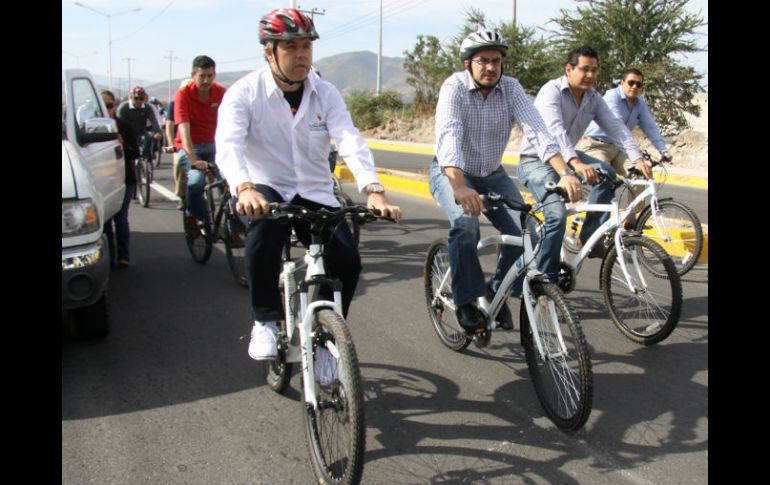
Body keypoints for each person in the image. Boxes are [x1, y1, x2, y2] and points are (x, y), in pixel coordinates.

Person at [216, 7, 402, 360]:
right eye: (291, 47)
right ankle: (266, 321)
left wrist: (373, 190)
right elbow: (229, 145)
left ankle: (325, 343)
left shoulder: (325, 92)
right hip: (266, 187)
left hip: (315, 191)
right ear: (269, 52)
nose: (301, 55)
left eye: (306, 47)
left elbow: (349, 139)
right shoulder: (244, 93)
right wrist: (245, 188)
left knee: (347, 263)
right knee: (265, 231)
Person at [429, 29, 578, 334]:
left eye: (496, 61)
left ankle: (496, 290)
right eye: (483, 60)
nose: (490, 67)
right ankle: (467, 300)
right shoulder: (453, 87)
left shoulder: (510, 88)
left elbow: (537, 131)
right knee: (466, 224)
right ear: (468, 63)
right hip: (453, 172)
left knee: (527, 231)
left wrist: (564, 171)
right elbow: (450, 136)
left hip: (492, 173)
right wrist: (459, 186)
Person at [518, 46, 652, 267]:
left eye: (595, 70)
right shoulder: (551, 91)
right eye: (584, 69)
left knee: (607, 174)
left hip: (569, 157)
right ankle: (544, 279)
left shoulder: (593, 98)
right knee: (557, 215)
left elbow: (616, 128)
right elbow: (555, 131)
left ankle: (589, 237)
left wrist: (636, 158)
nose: (590, 75)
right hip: (536, 160)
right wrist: (576, 163)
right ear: (569, 69)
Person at [576, 68, 671, 216]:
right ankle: (596, 225)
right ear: (622, 83)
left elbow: (650, 126)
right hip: (596, 145)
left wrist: (663, 150)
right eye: (631, 82)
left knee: (640, 174)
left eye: (639, 85)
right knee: (604, 178)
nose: (634, 87)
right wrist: (636, 154)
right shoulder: (611, 96)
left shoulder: (640, 104)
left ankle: (631, 222)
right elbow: (617, 126)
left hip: (619, 148)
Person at [174, 56, 226, 226]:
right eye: (202, 76)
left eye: (210, 76)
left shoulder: (221, 92)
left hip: (215, 146)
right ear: (193, 75)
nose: (206, 80)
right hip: (191, 147)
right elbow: (184, 129)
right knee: (196, 181)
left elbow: (230, 123)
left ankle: (235, 228)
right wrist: (194, 161)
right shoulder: (183, 94)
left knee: (229, 183)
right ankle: (195, 217)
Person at [100, 90, 138, 269]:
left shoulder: (123, 125)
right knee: (105, 221)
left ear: (115, 106)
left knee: (121, 218)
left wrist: (122, 144)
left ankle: (123, 257)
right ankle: (110, 258)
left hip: (125, 179)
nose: (107, 109)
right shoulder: (91, 128)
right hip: (102, 181)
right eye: (102, 105)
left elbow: (134, 152)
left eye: (109, 105)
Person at [164, 78, 192, 210]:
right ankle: (181, 196)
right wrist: (171, 145)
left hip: (202, 142)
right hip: (181, 143)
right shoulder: (174, 104)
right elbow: (169, 126)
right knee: (179, 165)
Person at [116, 86, 162, 161]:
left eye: (141, 99)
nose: (139, 101)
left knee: (148, 138)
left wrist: (157, 132)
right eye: (136, 98)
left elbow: (154, 121)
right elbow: (118, 124)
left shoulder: (147, 107)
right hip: (126, 133)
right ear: (131, 98)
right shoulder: (123, 108)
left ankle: (146, 159)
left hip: (141, 131)